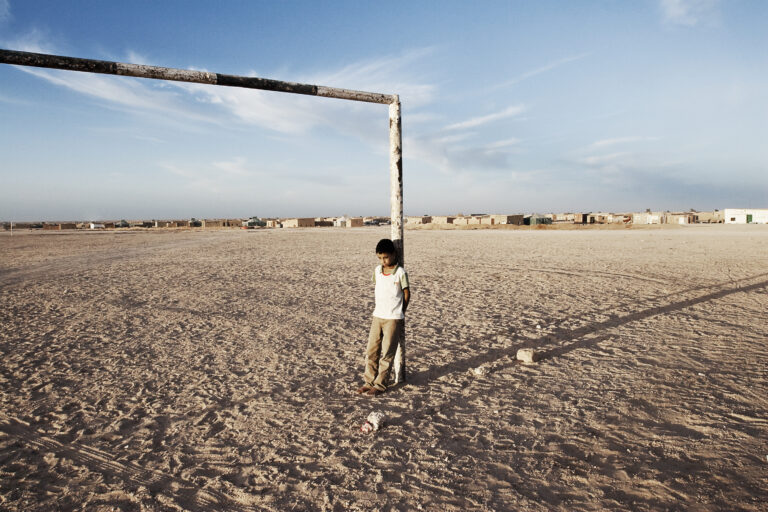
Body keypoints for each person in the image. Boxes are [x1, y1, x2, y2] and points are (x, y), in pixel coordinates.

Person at [356, 238, 410, 396]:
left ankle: (380, 385)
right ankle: (369, 381)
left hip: (393, 318)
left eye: (386, 257)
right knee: (372, 350)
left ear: (393, 255)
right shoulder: (377, 271)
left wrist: (401, 312)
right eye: (380, 258)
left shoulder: (400, 273)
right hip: (377, 316)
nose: (383, 261)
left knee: (387, 352)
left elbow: (407, 293)